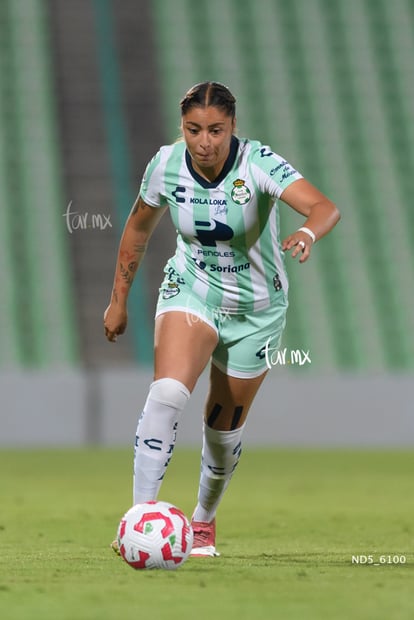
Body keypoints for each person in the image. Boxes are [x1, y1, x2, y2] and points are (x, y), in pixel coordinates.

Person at [104, 81, 340, 557]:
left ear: (233, 126)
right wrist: (118, 299)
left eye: (216, 130)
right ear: (182, 128)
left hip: (256, 311)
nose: (204, 142)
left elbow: (324, 207)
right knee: (167, 394)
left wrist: (308, 233)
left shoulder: (258, 163)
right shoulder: (166, 165)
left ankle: (203, 521)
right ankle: (138, 519)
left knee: (221, 430)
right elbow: (137, 227)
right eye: (194, 130)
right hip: (191, 291)